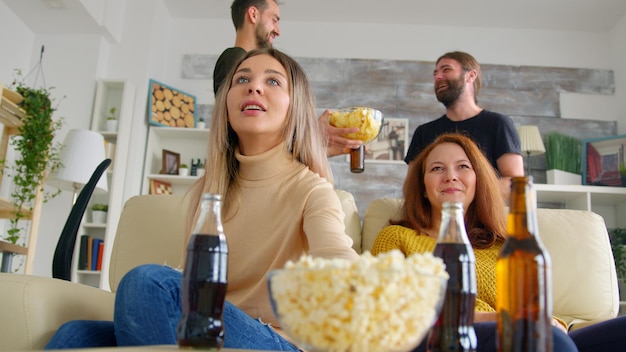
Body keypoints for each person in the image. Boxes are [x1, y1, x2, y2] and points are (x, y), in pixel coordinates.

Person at [45, 48, 359, 350]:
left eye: (273, 81)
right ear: (226, 103)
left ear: (296, 106)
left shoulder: (312, 190)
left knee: (147, 282)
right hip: (206, 330)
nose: (254, 88)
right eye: (242, 80)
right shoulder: (211, 189)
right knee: (74, 335)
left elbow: (336, 256)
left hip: (275, 341)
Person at [372, 132, 626, 352]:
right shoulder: (397, 237)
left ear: (478, 181)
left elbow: (529, 304)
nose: (451, 176)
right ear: (423, 187)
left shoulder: (502, 245)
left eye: (463, 166)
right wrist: (502, 319)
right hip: (455, 338)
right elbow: (387, 311)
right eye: (437, 168)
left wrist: (552, 321)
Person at [213, 0, 362, 157]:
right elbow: (241, 135)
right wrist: (309, 136)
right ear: (253, 14)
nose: (278, 31)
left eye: (273, 82)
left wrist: (311, 150)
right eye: (274, 20)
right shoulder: (234, 58)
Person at [404, 51, 524, 195]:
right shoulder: (423, 132)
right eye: (435, 73)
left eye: (446, 69)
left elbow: (515, 183)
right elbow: (411, 189)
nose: (438, 77)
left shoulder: (498, 124)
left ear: (471, 76)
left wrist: (462, 194)